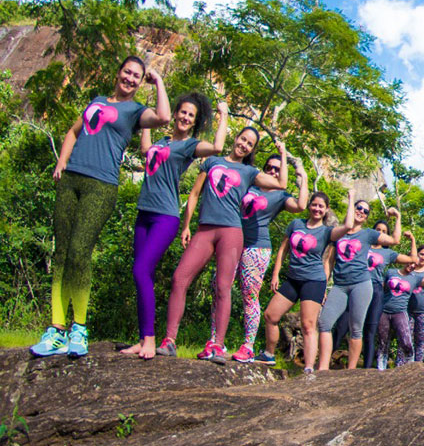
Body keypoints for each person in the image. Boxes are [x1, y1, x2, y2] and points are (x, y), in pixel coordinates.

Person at [32, 56, 171, 358]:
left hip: (102, 185)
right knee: (62, 253)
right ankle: (56, 329)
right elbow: (73, 131)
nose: (131, 79)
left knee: (80, 251)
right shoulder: (96, 100)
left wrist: (158, 81)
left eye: (137, 76)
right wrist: (62, 160)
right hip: (71, 180)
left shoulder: (135, 111)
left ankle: (78, 328)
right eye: (127, 72)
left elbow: (163, 118)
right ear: (118, 72)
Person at [158, 126, 285, 362]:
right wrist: (186, 225)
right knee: (180, 278)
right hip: (205, 228)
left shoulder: (249, 172)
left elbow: (282, 184)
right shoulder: (212, 161)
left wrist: (283, 154)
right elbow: (195, 194)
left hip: (231, 232)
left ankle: (218, 345)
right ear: (235, 138)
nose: (244, 145)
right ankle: (169, 340)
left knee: (223, 288)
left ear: (251, 150)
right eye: (243, 139)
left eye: (250, 144)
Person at [121, 94, 228, 359]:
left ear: (194, 122)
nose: (185, 118)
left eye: (190, 115)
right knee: (141, 276)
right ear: (176, 114)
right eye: (182, 112)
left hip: (165, 216)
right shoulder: (161, 142)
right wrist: (146, 115)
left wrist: (224, 114)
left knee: (140, 270)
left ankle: (149, 340)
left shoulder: (190, 146)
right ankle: (142, 337)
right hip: (143, 214)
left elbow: (216, 147)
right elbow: (145, 150)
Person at [227, 144, 309, 362]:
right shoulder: (251, 185)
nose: (273, 171)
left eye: (277, 169)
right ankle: (216, 341)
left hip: (257, 247)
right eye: (269, 168)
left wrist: (302, 176)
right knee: (221, 289)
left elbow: (301, 205)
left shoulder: (282, 196)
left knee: (250, 297)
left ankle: (248, 346)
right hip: (232, 240)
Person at [316, 193, 411, 371]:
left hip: (361, 284)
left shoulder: (368, 234)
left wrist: (398, 217)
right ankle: (322, 369)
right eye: (358, 208)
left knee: (356, 328)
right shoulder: (338, 233)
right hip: (339, 285)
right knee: (325, 323)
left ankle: (352, 372)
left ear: (367, 217)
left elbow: (395, 240)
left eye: (365, 211)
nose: (361, 211)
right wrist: (323, 287)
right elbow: (329, 262)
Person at [259, 192, 335, 372]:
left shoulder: (326, 232)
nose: (317, 209)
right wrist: (276, 273)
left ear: (326, 210)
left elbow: (328, 260)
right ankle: (269, 355)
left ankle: (308, 368)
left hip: (314, 281)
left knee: (308, 325)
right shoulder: (296, 224)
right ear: (309, 206)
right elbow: (283, 249)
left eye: (321, 206)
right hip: (293, 279)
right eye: (314, 205)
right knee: (271, 315)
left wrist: (323, 286)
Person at [362, 219, 415, 368]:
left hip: (376, 291)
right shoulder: (363, 245)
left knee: (374, 332)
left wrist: (412, 240)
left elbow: (413, 259)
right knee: (355, 328)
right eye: (378, 229)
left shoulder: (388, 253)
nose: (380, 233)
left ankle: (372, 367)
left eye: (384, 231)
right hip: (358, 286)